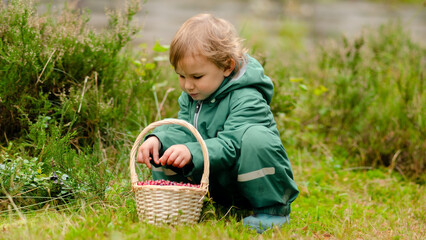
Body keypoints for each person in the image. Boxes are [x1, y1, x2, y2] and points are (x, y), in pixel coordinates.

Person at [137, 13, 299, 233]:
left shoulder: (247, 97)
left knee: (255, 138)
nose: (188, 86)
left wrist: (191, 151)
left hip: (245, 183)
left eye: (197, 76)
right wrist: (158, 138)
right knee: (167, 144)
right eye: (181, 76)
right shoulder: (193, 96)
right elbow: (183, 128)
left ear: (227, 67)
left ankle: (272, 212)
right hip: (215, 184)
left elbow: (231, 145)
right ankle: (181, 202)